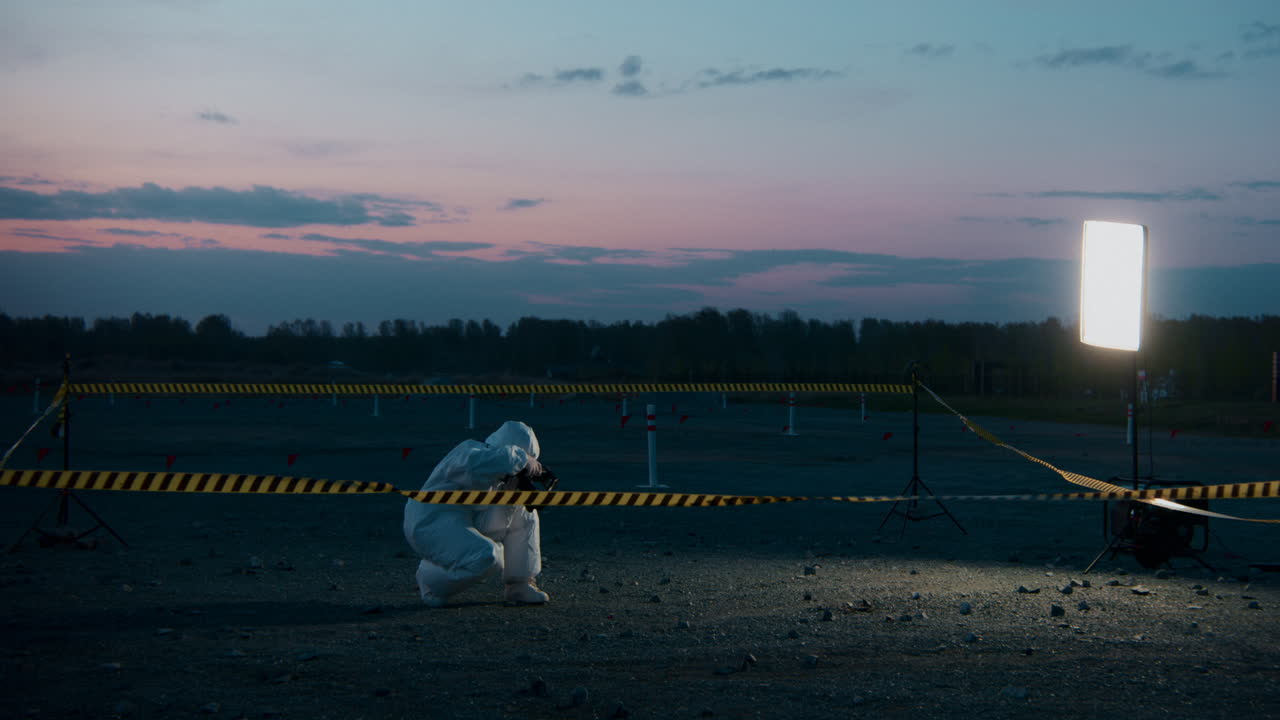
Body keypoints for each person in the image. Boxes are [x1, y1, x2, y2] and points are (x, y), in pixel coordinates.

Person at [402, 420, 549, 607]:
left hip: (466, 518)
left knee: (524, 511)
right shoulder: (469, 452)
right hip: (431, 522)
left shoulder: (498, 471)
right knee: (486, 557)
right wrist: (521, 459)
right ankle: (430, 579)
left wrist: (515, 486)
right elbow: (475, 466)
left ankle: (519, 584)